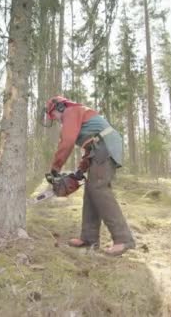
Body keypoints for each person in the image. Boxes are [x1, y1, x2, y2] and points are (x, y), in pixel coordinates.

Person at [45, 96, 135, 256]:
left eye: (54, 115)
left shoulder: (70, 112)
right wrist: (80, 171)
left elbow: (67, 142)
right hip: (99, 147)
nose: (56, 119)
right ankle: (89, 238)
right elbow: (89, 148)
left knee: (99, 188)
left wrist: (55, 168)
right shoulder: (78, 116)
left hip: (105, 146)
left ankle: (123, 239)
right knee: (91, 191)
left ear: (59, 107)